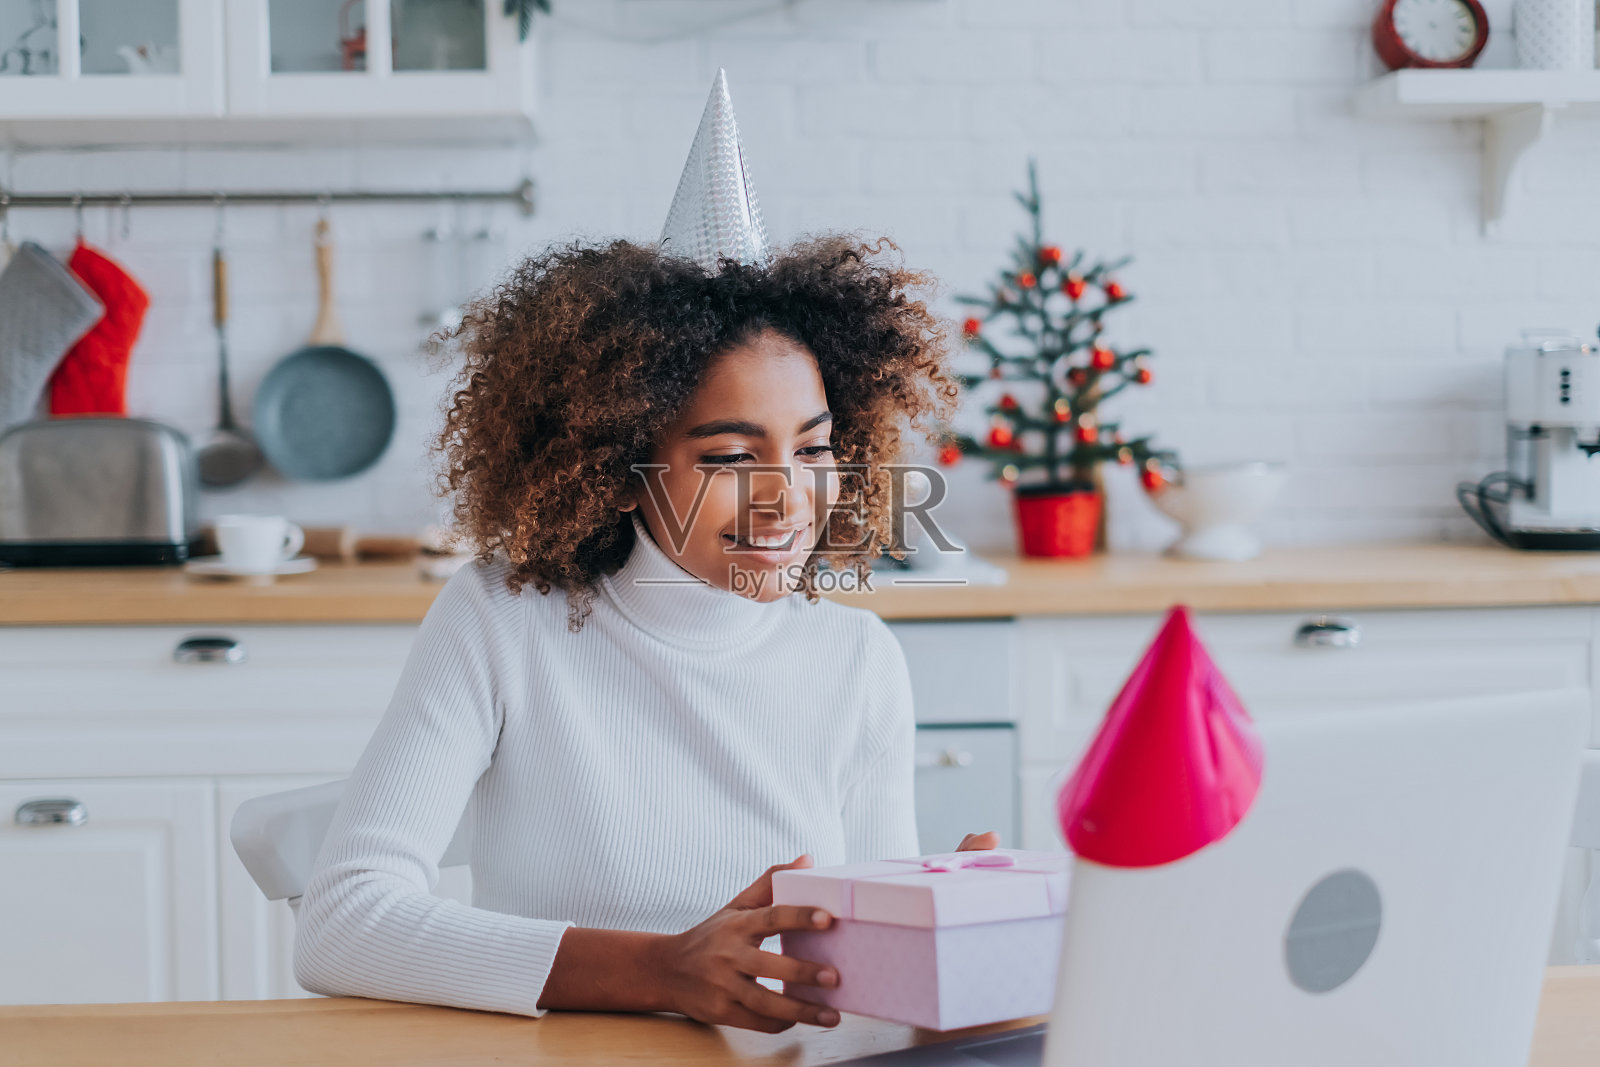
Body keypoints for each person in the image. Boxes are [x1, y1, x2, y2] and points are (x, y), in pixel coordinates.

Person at [293, 71, 997, 1034]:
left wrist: (946, 937)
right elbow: (339, 923)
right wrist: (661, 971)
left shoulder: (858, 659)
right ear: (619, 464)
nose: (788, 495)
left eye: (813, 446)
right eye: (729, 455)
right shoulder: (504, 619)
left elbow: (860, 992)